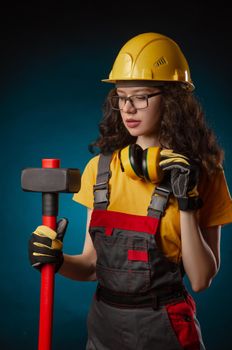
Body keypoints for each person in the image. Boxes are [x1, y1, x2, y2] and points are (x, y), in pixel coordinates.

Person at [29, 32, 232, 349]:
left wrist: (187, 202)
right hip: (103, 325)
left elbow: (201, 280)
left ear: (172, 100)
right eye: (121, 97)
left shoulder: (205, 172)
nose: (128, 108)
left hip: (164, 327)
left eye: (140, 96)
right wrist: (55, 261)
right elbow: (91, 266)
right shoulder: (100, 169)